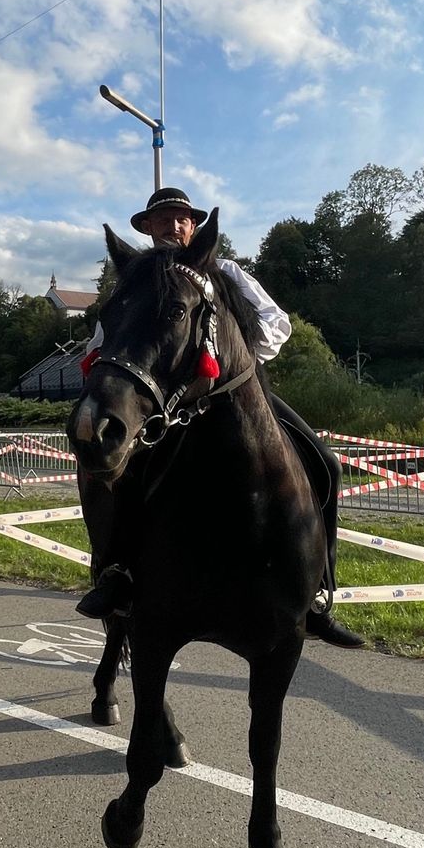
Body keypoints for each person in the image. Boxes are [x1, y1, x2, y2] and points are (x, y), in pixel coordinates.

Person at [77, 187, 364, 649]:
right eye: (162, 220)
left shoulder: (225, 270)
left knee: (325, 462)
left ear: (193, 226)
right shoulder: (136, 278)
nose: (173, 226)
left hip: (236, 395)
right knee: (120, 476)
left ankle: (318, 594)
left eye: (181, 219)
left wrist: (231, 356)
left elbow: (276, 321)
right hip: (168, 406)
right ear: (147, 229)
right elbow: (103, 340)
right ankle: (117, 575)